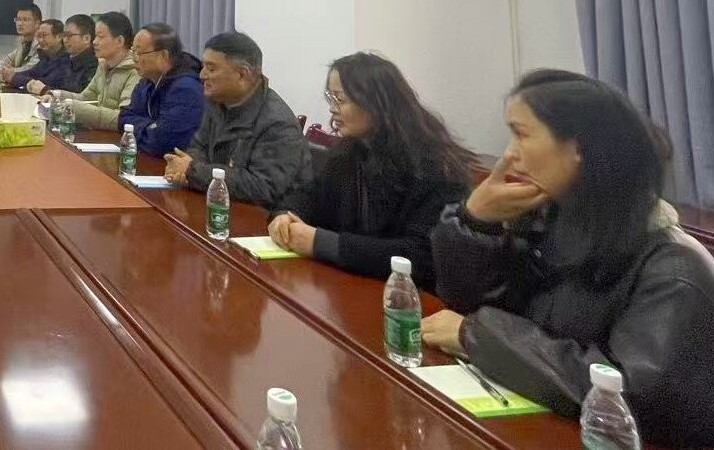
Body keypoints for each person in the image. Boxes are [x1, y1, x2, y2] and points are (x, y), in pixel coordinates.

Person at [421, 70, 714, 448]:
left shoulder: (675, 269)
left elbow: (625, 396)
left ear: (580, 148)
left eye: (521, 134)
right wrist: (474, 221)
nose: (508, 154)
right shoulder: (550, 223)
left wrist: (476, 336)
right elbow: (467, 302)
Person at [267, 52, 473, 288]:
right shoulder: (350, 151)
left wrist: (322, 243)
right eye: (330, 98)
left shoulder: (433, 165)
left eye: (340, 99)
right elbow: (309, 195)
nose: (332, 109)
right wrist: (285, 214)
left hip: (407, 295)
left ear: (376, 103)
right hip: (351, 285)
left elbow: (422, 256)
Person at [164, 32, 309, 208]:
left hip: (264, 217)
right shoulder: (217, 102)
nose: (202, 75)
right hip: (219, 202)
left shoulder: (278, 124)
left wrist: (193, 171)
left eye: (211, 69)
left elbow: (263, 188)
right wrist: (186, 167)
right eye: (203, 67)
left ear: (242, 74)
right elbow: (198, 146)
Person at [120, 23, 204, 156]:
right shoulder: (146, 82)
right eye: (133, 51)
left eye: (139, 52)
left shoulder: (186, 89)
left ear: (164, 55)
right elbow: (124, 119)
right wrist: (151, 126)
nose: (134, 58)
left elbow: (162, 143)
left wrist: (139, 129)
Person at [61, 11, 140, 131]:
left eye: (100, 37)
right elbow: (86, 97)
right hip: (98, 133)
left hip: (117, 138)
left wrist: (78, 109)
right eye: (95, 36)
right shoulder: (103, 65)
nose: (94, 42)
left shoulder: (135, 72)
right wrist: (56, 96)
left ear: (119, 41)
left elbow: (122, 118)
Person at [26, 14, 98, 96]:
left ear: (86, 38)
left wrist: (45, 90)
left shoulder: (94, 65)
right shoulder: (65, 59)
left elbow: (83, 97)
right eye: (64, 35)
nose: (65, 40)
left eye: (69, 35)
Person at [11, 19, 69, 91]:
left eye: (44, 35)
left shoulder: (66, 59)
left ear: (59, 37)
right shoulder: (46, 55)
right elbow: (32, 73)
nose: (40, 40)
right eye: (38, 36)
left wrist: (13, 77)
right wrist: (11, 75)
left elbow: (44, 83)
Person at [0, 4, 42, 74]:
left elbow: (29, 70)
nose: (20, 23)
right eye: (18, 19)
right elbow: (8, 60)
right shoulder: (22, 41)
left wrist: (6, 70)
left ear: (37, 23)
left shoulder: (42, 44)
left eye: (25, 20)